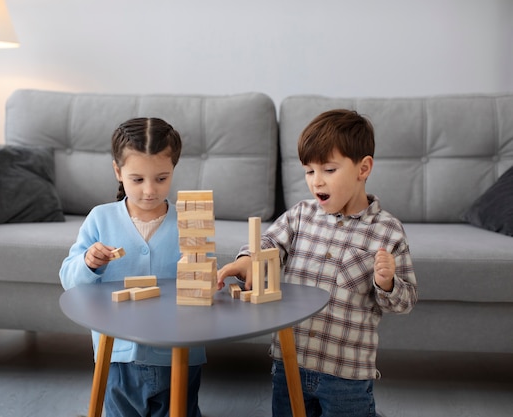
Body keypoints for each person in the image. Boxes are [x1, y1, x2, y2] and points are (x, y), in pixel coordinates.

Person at [217, 109, 418, 417]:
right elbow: (268, 243)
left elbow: (404, 303)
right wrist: (247, 259)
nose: (316, 181)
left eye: (328, 169)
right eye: (309, 171)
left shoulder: (387, 230)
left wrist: (387, 283)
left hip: (346, 374)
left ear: (363, 168)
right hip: (288, 363)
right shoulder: (301, 214)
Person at [60, 117, 205, 417]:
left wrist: (199, 272)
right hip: (118, 356)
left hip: (178, 355)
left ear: (174, 171)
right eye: (137, 179)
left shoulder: (190, 221)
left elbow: (204, 281)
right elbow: (69, 279)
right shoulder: (101, 219)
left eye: (162, 178)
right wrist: (88, 263)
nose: (150, 190)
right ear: (118, 171)